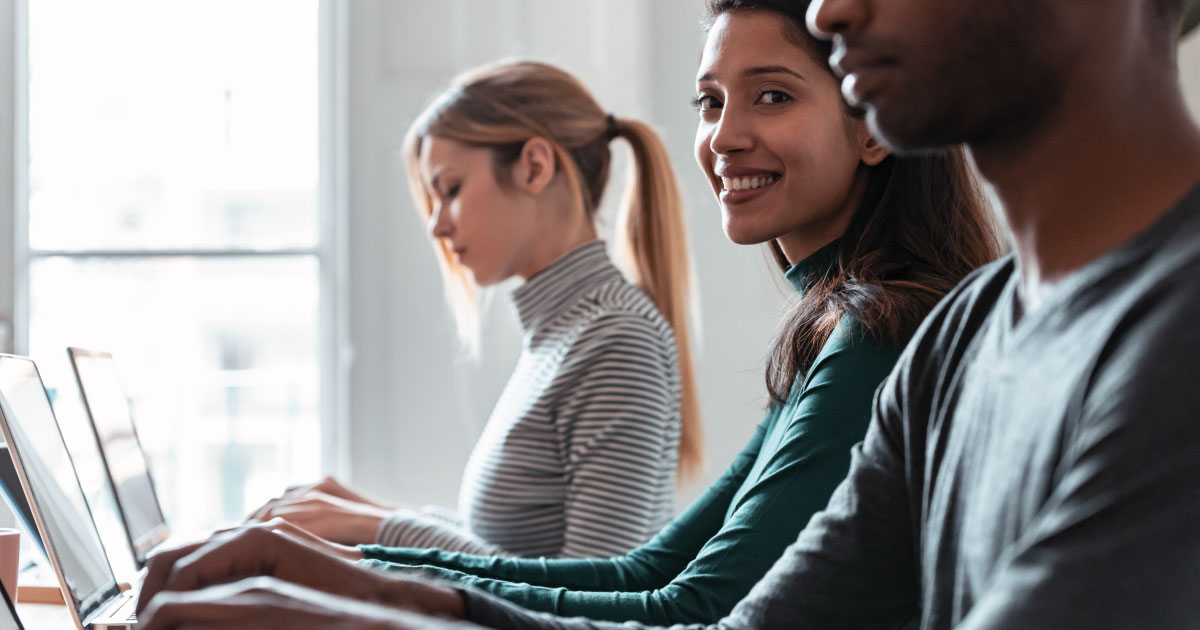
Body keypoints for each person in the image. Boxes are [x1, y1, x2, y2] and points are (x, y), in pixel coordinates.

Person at [134, 0, 1006, 626]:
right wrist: (362, 564)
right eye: (710, 101)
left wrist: (366, 573)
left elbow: (686, 608)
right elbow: (655, 571)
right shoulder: (832, 333)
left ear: (872, 125)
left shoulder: (877, 334)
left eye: (771, 95)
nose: (725, 135)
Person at [250, 60, 705, 560]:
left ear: (535, 166)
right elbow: (505, 547)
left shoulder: (617, 339)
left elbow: (589, 591)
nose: (436, 226)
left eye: (450, 190)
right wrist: (363, 512)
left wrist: (379, 526)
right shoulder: (565, 333)